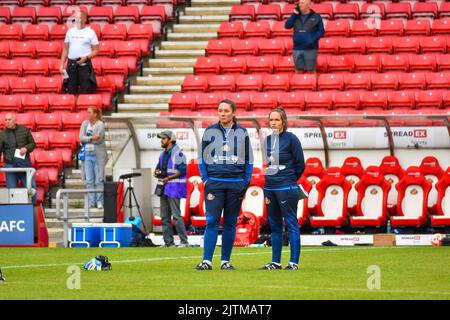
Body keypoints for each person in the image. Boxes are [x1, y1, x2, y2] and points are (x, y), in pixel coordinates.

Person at [195, 100, 253, 270]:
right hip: (214, 183)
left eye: (226, 111)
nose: (222, 113)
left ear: (234, 113)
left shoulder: (242, 132)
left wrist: (245, 180)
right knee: (212, 221)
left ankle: (225, 262)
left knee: (230, 222)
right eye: (220, 110)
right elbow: (201, 156)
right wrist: (205, 178)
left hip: (236, 184)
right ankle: (207, 261)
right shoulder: (210, 130)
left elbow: (249, 158)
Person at [261, 108, 306, 270]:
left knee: (291, 224)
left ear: (283, 122)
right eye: (271, 120)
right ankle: (276, 262)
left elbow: (301, 164)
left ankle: (293, 262)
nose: (273, 123)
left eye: (277, 120)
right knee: (274, 225)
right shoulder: (267, 140)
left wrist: (289, 179)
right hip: (270, 187)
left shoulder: (291, 139)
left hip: (286, 186)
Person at [154, 130, 189, 248]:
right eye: (161, 139)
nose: (161, 141)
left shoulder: (178, 154)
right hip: (164, 187)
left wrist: (168, 178)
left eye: (163, 139)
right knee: (164, 217)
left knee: (176, 216)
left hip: (174, 188)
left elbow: (183, 170)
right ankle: (168, 243)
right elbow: (159, 168)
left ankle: (184, 242)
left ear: (170, 140)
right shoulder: (162, 154)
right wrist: (156, 172)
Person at [0, 113, 37, 205]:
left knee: (31, 187)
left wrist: (26, 148)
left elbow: (33, 144)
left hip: (24, 164)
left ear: (15, 120)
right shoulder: (2, 134)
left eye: (9, 119)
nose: (7, 122)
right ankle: (14, 211)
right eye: (6, 120)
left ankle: (33, 208)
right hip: (10, 165)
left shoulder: (24, 130)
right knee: (12, 190)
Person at [60, 9, 99, 94]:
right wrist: (61, 65)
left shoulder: (90, 32)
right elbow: (65, 49)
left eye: (81, 18)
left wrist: (86, 57)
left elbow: (96, 50)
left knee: (85, 91)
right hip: (71, 66)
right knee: (70, 91)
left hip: (84, 66)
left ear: (85, 19)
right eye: (77, 18)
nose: (78, 20)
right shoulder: (69, 32)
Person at [79, 106, 107, 209]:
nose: (88, 114)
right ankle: (92, 202)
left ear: (95, 114)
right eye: (87, 112)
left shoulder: (100, 124)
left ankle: (100, 201)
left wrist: (86, 139)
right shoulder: (84, 124)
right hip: (87, 155)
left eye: (90, 112)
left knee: (99, 180)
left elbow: (99, 139)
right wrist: (91, 138)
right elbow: (81, 138)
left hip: (98, 155)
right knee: (90, 180)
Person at [285, 0, 324, 73]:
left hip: (311, 49)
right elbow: (287, 26)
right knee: (298, 70)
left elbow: (321, 31)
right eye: (299, 3)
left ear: (309, 4)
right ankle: (298, 84)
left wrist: (312, 39)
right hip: (297, 48)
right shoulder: (295, 16)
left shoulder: (316, 17)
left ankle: (312, 84)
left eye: (302, 3)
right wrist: (294, 14)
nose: (300, 5)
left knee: (311, 71)